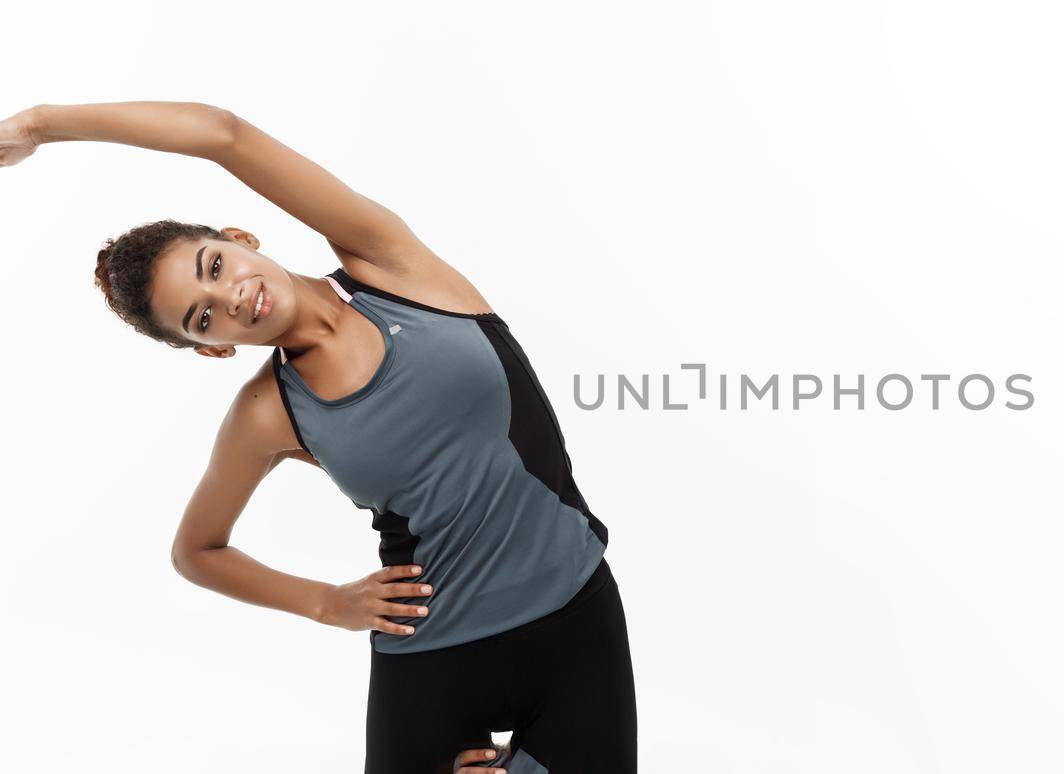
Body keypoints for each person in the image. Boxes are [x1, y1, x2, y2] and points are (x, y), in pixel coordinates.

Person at [0, 101, 637, 774]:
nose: (233, 298)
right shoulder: (268, 414)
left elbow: (224, 135)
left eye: (214, 267)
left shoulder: (389, 265)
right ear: (210, 349)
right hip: (429, 655)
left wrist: (40, 125)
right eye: (203, 317)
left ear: (240, 237)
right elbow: (197, 551)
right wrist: (327, 603)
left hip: (574, 614)